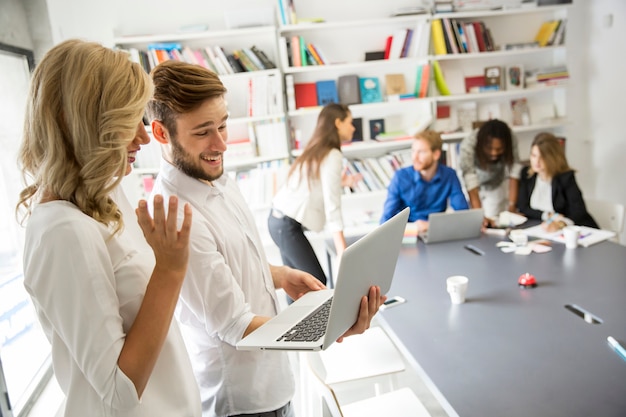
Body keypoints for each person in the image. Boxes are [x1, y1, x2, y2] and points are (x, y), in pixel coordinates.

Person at [145, 60, 383, 417]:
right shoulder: (178, 216)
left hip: (272, 382)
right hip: (244, 402)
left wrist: (279, 275)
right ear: (162, 134)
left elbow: (230, 259)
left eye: (223, 125)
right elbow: (236, 326)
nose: (221, 144)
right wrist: (328, 326)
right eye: (203, 132)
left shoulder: (216, 177)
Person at [16, 40, 200, 417]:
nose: (145, 136)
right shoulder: (62, 231)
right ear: (85, 122)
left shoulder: (105, 195)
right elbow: (117, 395)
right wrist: (169, 270)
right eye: (128, 118)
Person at [269, 103, 363, 286]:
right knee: (315, 280)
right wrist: (342, 249)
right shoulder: (332, 154)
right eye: (350, 122)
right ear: (338, 123)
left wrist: (344, 182)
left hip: (278, 221)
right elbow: (332, 204)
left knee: (298, 283)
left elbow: (314, 184)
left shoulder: (319, 149)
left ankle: (298, 315)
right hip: (285, 225)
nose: (353, 127)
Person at [380, 130, 469, 232]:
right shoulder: (400, 177)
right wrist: (414, 227)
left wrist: (432, 225)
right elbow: (385, 221)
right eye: (413, 151)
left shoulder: (449, 175)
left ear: (436, 154)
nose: (415, 157)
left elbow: (463, 214)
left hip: (437, 232)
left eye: (421, 152)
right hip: (408, 234)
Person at [517, 132, 598, 232]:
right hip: (542, 230)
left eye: (542, 157)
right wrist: (549, 216)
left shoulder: (566, 177)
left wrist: (560, 224)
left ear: (552, 158)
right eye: (534, 155)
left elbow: (579, 211)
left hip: (573, 231)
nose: (536, 161)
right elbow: (523, 207)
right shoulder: (526, 174)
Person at [459, 119, 523, 226]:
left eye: (499, 149)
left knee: (497, 221)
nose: (494, 153)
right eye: (489, 148)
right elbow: (470, 181)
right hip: (473, 185)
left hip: (496, 183)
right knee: (478, 222)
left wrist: (512, 206)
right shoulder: (468, 144)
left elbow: (514, 172)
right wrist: (479, 216)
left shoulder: (511, 138)